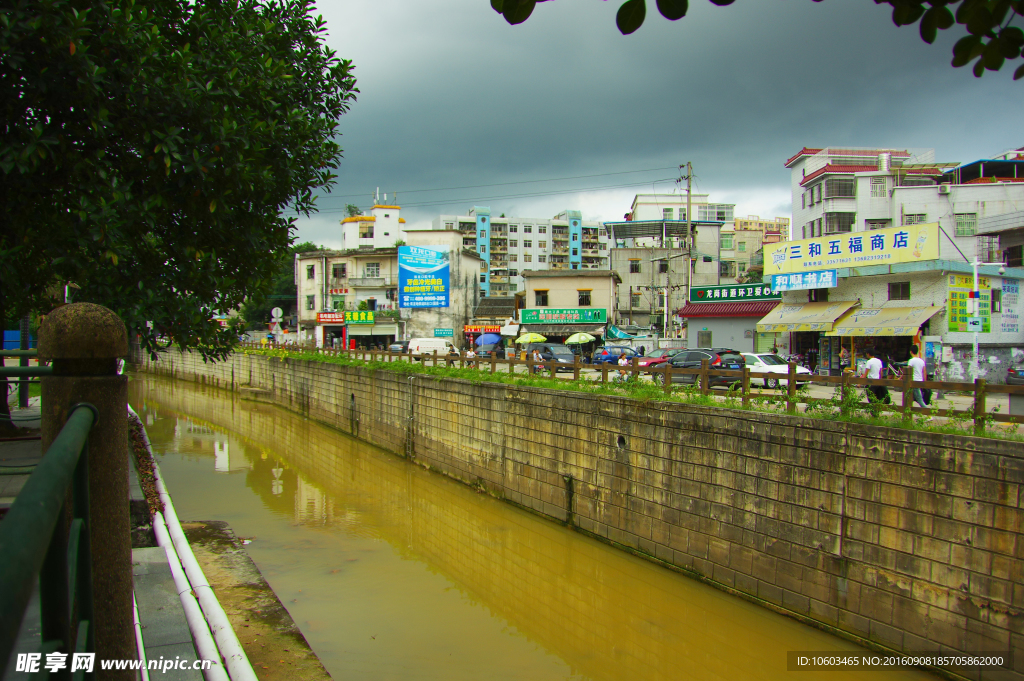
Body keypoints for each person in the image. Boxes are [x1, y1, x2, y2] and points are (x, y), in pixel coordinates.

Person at [907, 344, 929, 408]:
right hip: (920, 381)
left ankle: (928, 414)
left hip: (914, 382)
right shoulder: (922, 361)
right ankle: (908, 412)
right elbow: (924, 372)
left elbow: (908, 371)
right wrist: (924, 382)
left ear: (911, 352)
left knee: (919, 399)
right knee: (909, 398)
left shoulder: (911, 361)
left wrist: (901, 377)